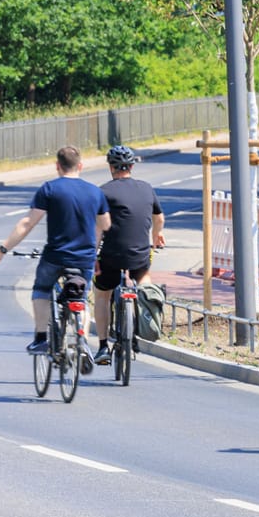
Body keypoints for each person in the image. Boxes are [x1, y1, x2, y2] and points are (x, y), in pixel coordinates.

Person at [0, 146, 111, 354]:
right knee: (81, 299)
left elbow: (27, 223)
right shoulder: (95, 192)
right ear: (80, 166)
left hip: (55, 256)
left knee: (41, 289)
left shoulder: (49, 189)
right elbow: (106, 224)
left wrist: (2, 249)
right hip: (84, 259)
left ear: (57, 166)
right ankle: (81, 340)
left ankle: (40, 339)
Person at [92, 145, 166, 365]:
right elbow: (159, 218)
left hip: (111, 256)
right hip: (139, 255)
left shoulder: (103, 191)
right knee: (144, 280)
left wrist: (94, 256)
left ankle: (103, 345)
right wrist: (157, 236)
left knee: (102, 293)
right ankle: (146, 319)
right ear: (132, 166)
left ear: (111, 168)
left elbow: (97, 229)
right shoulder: (146, 188)